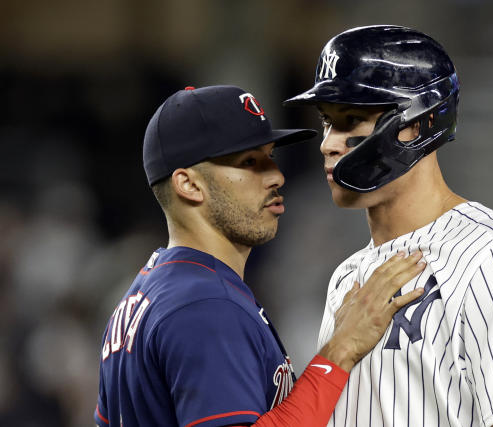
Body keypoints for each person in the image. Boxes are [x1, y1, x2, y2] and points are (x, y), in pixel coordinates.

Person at [284, 25, 493, 426]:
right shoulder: (346, 277)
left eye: (351, 120)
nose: (328, 143)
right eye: (327, 122)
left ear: (416, 124)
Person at [94, 84, 428, 427]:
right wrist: (339, 352)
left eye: (270, 156)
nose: (276, 175)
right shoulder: (206, 305)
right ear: (189, 185)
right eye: (250, 162)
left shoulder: (145, 294)